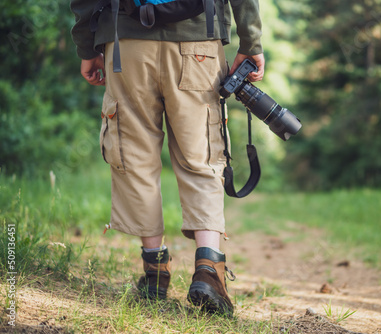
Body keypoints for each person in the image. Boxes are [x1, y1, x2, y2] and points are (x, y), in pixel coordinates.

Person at [70, 0, 265, 317]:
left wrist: (86, 46)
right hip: (199, 38)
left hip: (126, 42)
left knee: (134, 156)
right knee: (201, 155)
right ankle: (209, 269)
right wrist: (251, 41)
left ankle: (154, 272)